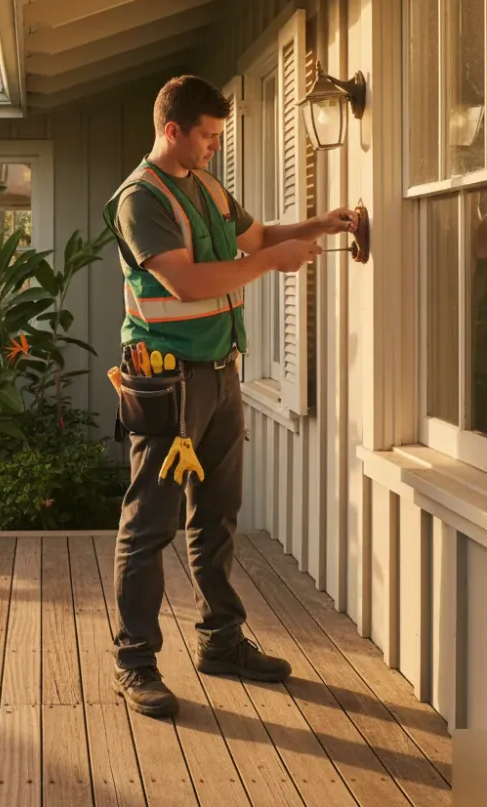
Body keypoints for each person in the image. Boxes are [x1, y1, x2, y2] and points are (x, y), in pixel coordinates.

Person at [102, 74, 356, 718]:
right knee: (149, 526)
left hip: (219, 374)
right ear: (172, 131)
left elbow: (256, 238)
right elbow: (184, 282)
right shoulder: (140, 198)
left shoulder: (206, 186)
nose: (215, 146)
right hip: (165, 383)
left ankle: (220, 641)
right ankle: (135, 663)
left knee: (217, 517)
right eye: (208, 136)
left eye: (219, 136)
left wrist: (320, 224)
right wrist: (273, 263)